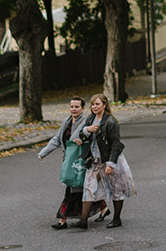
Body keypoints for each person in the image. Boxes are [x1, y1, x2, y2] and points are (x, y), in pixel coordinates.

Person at [38, 97, 107, 229]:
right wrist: (43, 153)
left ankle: (62, 219)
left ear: (82, 108)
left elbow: (91, 138)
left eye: (76, 107)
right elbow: (57, 139)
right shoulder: (66, 121)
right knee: (80, 188)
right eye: (71, 107)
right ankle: (103, 208)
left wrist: (83, 140)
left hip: (82, 160)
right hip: (70, 160)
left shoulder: (87, 121)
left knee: (72, 188)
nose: (73, 109)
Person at [71, 93, 136, 230]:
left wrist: (111, 164)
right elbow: (82, 136)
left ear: (104, 105)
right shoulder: (90, 119)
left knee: (116, 189)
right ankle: (83, 221)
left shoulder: (110, 122)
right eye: (93, 104)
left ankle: (117, 219)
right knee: (88, 188)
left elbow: (116, 144)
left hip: (110, 160)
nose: (94, 107)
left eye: (97, 104)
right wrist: (87, 130)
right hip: (94, 161)